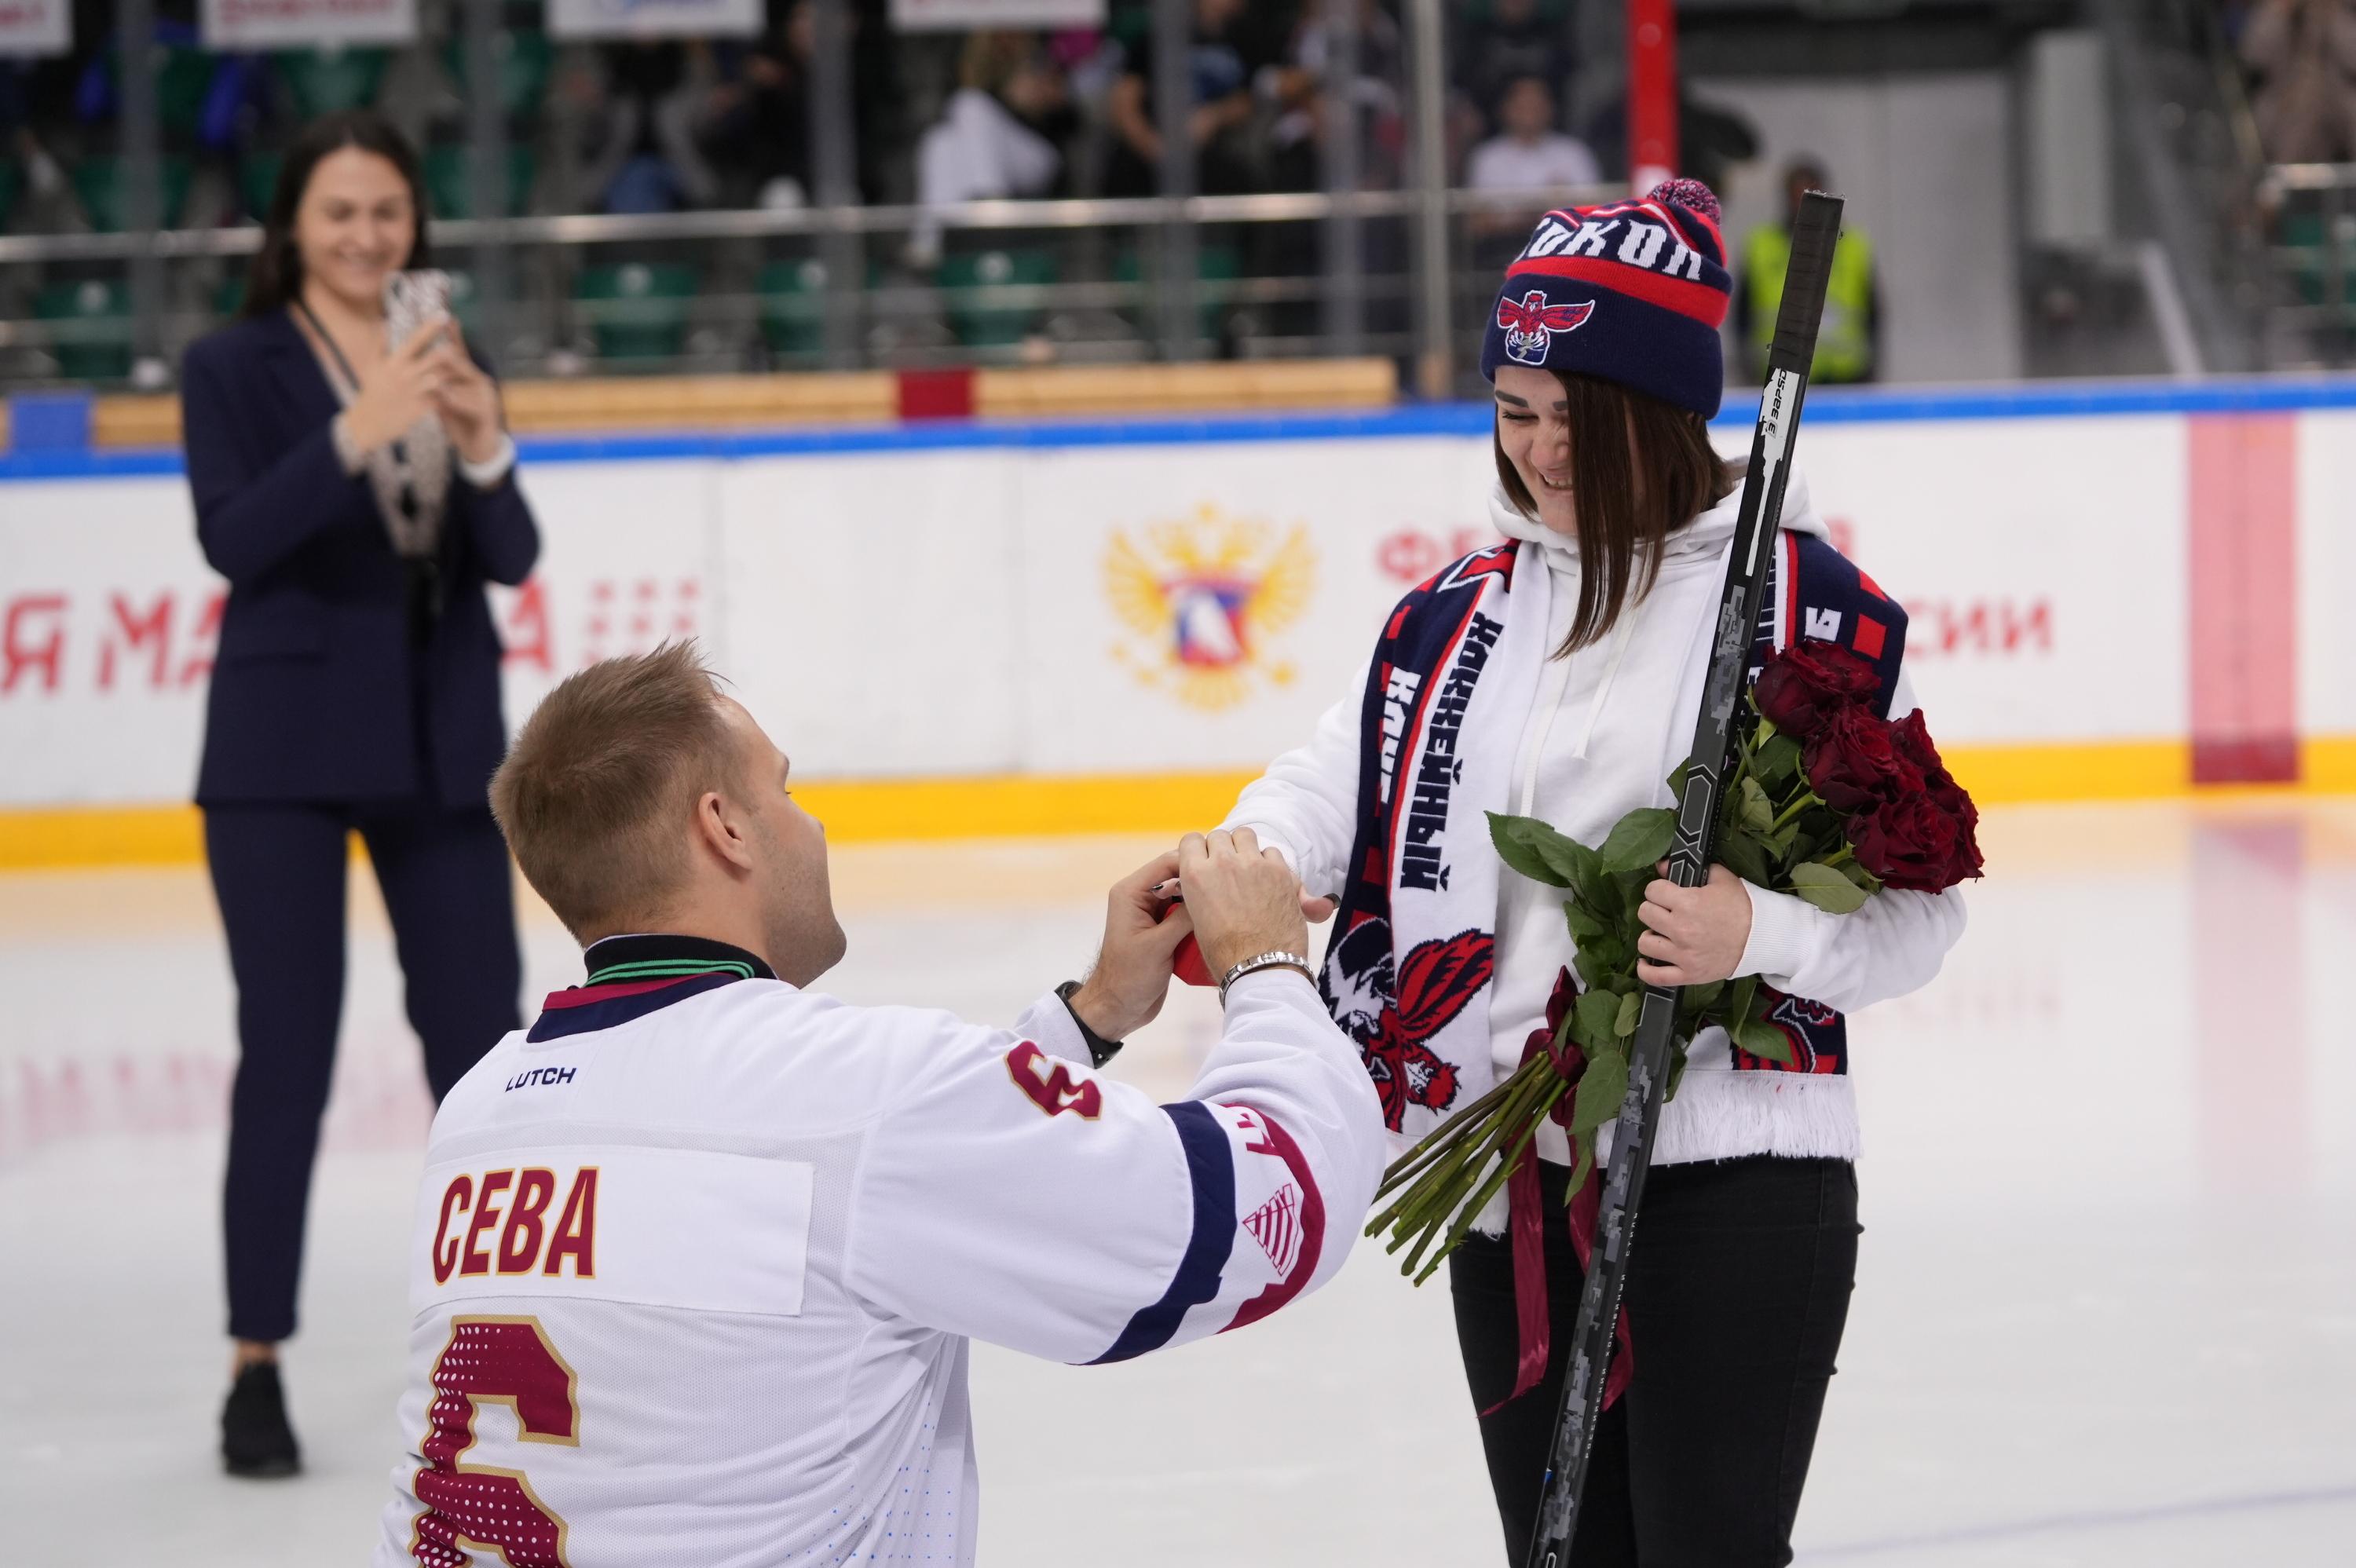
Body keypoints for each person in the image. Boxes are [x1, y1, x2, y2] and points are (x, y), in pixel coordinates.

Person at [1216, 180, 1967, 1563]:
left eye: (1579, 416)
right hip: (1514, 1180)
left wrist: (1761, 931)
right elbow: (1339, 777)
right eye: (1515, 410)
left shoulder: (1795, 616)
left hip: (1733, 1180)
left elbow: (1925, 916)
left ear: (1664, 414)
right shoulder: (1462, 618)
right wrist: (1250, 854)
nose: (1542, 451)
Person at [371, 643, 1385, 1566]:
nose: (809, 820)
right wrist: (1265, 966)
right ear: (724, 828)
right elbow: (1253, 1215)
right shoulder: (860, 1088)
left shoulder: (482, 1111)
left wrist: (1089, 1017)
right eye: (785, 789)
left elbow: (827, 1182)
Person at [180, 108, 539, 1479]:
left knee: (484, 1057)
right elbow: (231, 539)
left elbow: (509, 553)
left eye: (386, 211)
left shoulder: (447, 348)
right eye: (338, 212)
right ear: (292, 226)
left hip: (443, 747)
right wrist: (356, 431)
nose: (364, 235)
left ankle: (504, 1326)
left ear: (414, 225)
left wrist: (485, 435)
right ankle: (254, 1360)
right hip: (278, 751)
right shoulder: (231, 363)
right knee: (288, 1053)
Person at [1739, 157, 1881, 385]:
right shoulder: (1761, 245)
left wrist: (1872, 369)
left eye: (1812, 197)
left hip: (1846, 377)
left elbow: (1873, 313)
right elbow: (1743, 315)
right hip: (1779, 379)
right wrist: (1747, 369)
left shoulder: (1855, 246)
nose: (1803, 207)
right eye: (1798, 198)